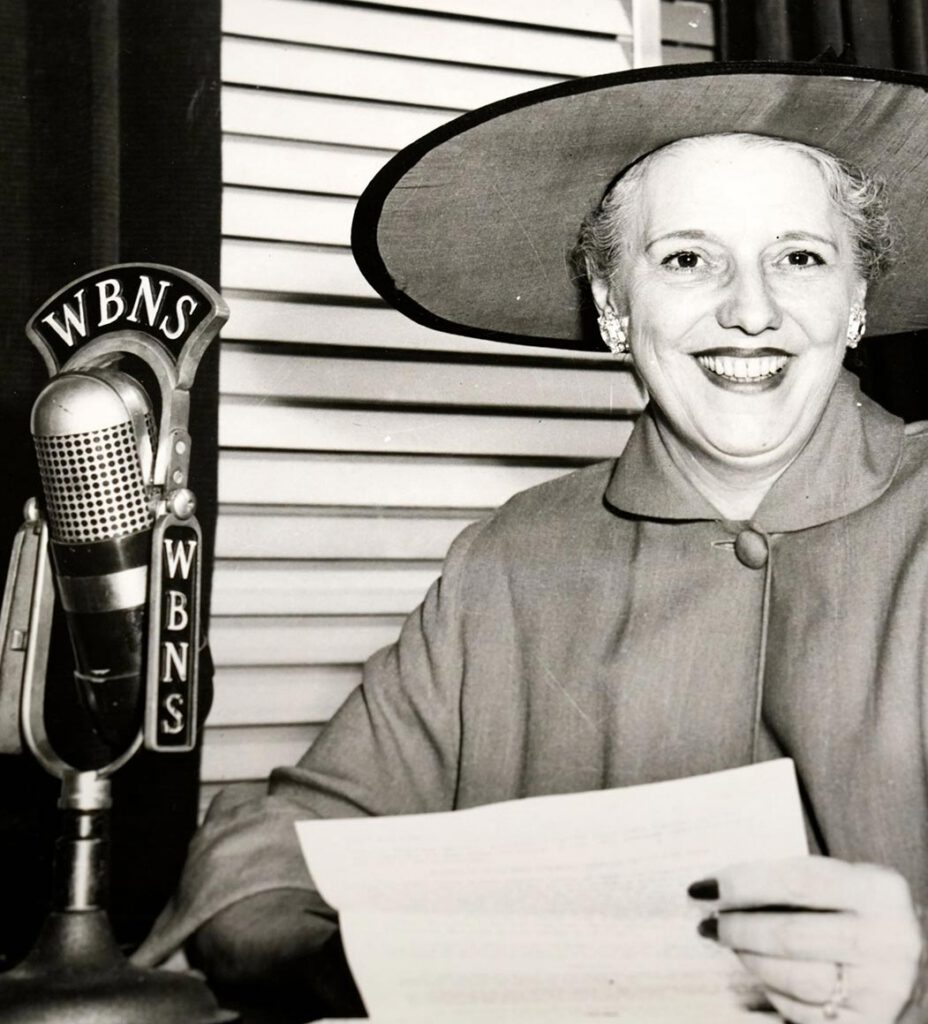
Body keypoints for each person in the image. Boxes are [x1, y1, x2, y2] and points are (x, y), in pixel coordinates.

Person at [135, 63, 928, 1023]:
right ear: (612, 309)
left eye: (799, 258)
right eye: (686, 260)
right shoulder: (510, 562)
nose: (750, 310)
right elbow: (279, 848)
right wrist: (360, 963)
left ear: (856, 303)